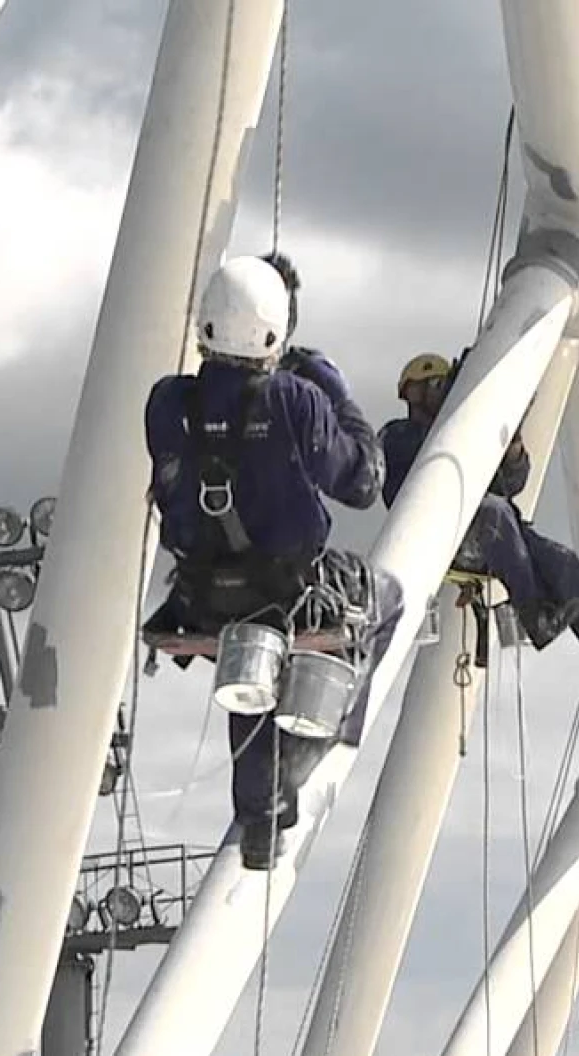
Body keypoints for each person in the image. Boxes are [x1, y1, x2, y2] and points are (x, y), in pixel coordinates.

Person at [144, 254, 403, 870]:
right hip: (288, 588)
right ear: (275, 328)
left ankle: (259, 810)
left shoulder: (166, 402)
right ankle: (316, 740)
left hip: (201, 594)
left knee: (248, 660)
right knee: (386, 602)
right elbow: (364, 480)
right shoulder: (297, 398)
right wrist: (331, 385)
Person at [380, 352, 579, 678]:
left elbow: (510, 484)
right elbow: (411, 468)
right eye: (434, 385)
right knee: (495, 512)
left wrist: (511, 445)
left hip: (493, 533)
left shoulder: (469, 435)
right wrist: (459, 417)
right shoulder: (397, 435)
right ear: (412, 392)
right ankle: (535, 615)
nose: (441, 392)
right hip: (438, 531)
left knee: (561, 561)